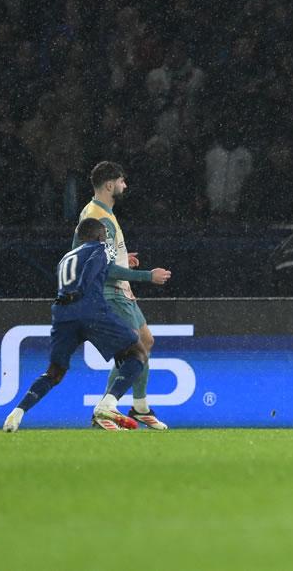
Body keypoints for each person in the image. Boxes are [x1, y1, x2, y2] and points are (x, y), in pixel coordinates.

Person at [3, 218, 170, 432]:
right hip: (89, 309)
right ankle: (107, 405)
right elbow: (93, 266)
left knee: (54, 373)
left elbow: (85, 270)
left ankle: (16, 413)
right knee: (138, 351)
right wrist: (82, 290)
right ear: (101, 235)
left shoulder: (65, 258)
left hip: (62, 314)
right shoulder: (102, 247)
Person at [76, 161, 173, 429]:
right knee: (133, 350)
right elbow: (103, 269)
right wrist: (148, 276)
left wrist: (121, 257)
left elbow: (90, 253)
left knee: (145, 341)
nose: (124, 186)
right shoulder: (100, 217)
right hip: (110, 292)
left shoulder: (95, 210)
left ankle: (139, 406)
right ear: (110, 185)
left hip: (120, 290)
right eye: (121, 181)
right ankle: (105, 407)